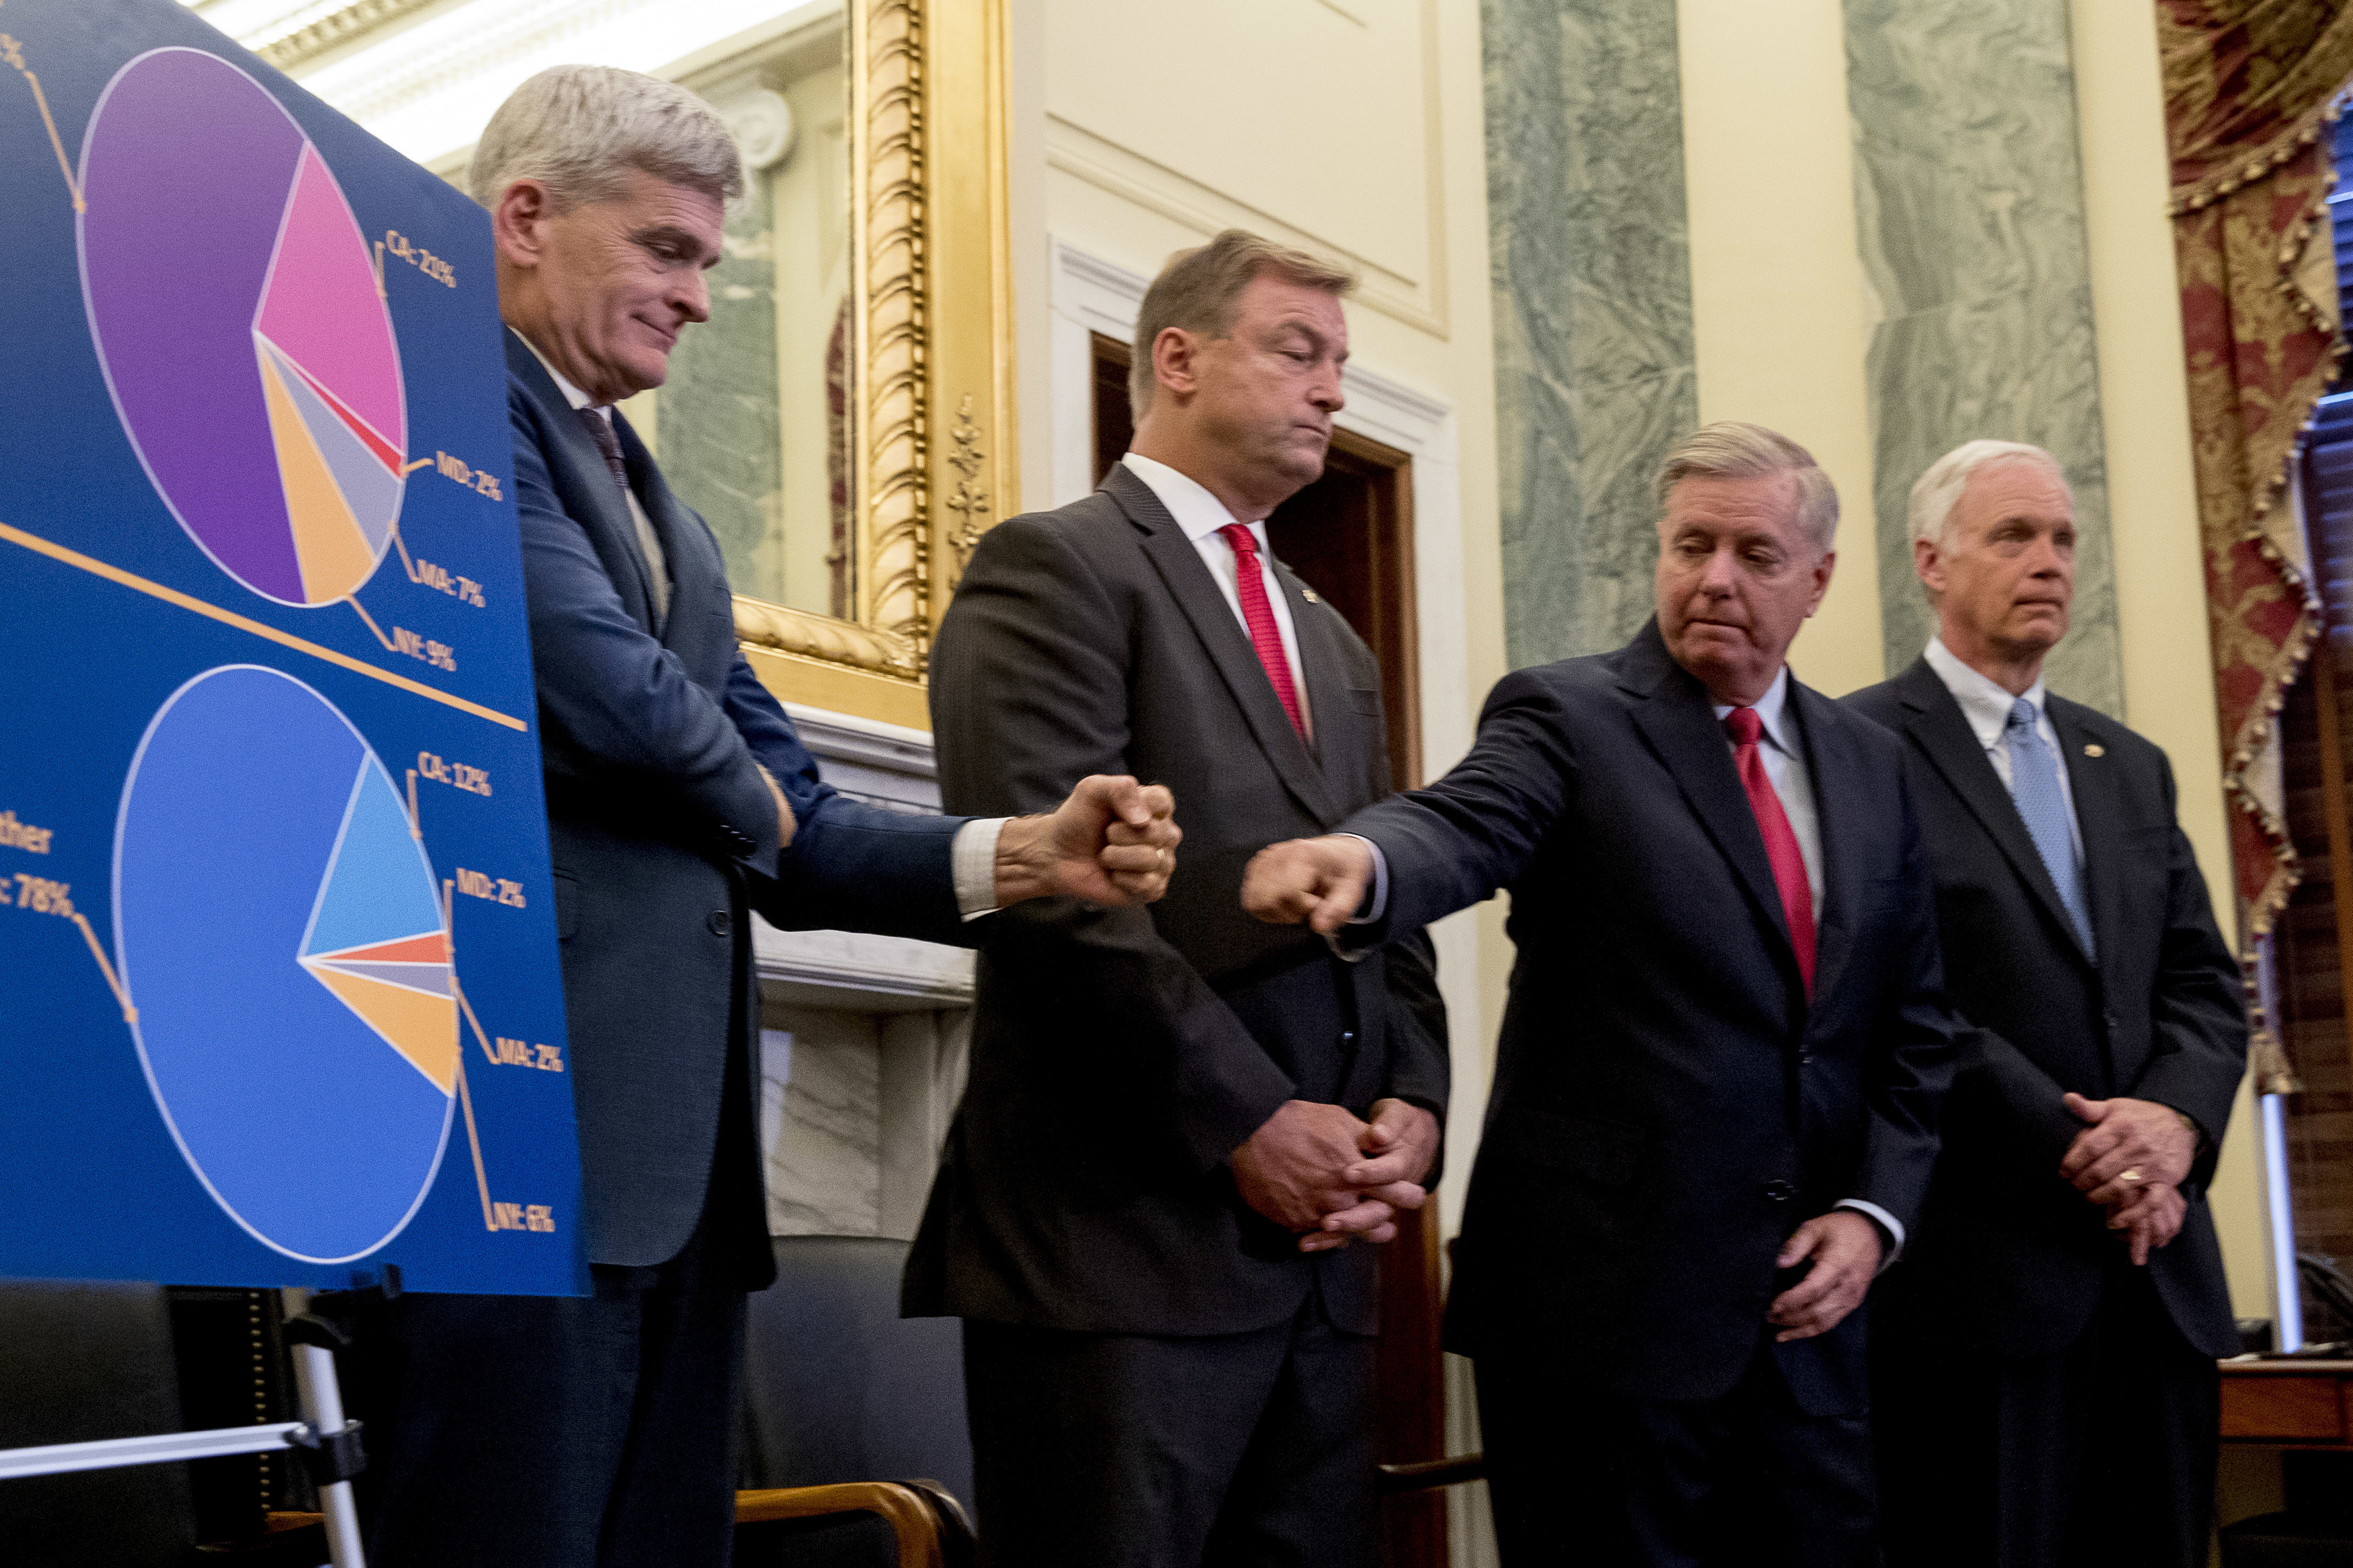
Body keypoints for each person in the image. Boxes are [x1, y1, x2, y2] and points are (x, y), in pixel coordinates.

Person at [348, 65, 1181, 1568]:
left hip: (675, 1174)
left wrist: (1019, 850)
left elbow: (787, 809)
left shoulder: (663, 506)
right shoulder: (434, 400)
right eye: (668, 248)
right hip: (503, 1135)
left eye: (708, 261)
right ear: (525, 214)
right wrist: (757, 804)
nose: (701, 299)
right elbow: (606, 690)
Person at [1243, 422, 1956, 1566]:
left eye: (1754, 554)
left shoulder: (1870, 762)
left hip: (1806, 1331)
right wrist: (1369, 864)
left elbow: (1915, 1028)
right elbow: (1466, 818)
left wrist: (1873, 1215)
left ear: (1817, 579)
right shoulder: (1568, 717)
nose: (1714, 577)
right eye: (1691, 545)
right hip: (1603, 1321)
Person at [908, 229, 1451, 1568]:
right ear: (1178, 358)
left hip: (1321, 1273)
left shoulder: (1328, 633)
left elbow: (1385, 886)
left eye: (1341, 362)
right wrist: (1251, 1121)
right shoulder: (1055, 567)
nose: (1333, 390)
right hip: (1116, 1255)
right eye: (1297, 351)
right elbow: (1054, 897)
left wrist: (1415, 1102)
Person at [1844, 441, 2246, 1567]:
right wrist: (2086, 1143)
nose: (2048, 560)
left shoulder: (2128, 760)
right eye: (2012, 535)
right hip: (1980, 1276)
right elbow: (1887, 992)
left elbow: (2202, 988)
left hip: (2153, 1269)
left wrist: (2172, 1127)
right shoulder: (1855, 746)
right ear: (1930, 559)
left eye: (2062, 537)